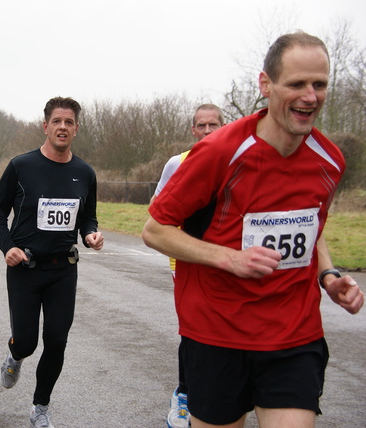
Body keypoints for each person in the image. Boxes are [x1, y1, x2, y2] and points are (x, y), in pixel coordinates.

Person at [142, 32, 364, 428]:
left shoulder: (330, 161)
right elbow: (156, 229)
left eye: (319, 84)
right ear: (266, 85)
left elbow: (312, 226)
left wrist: (327, 273)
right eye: (296, 84)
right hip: (216, 333)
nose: (310, 96)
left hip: (294, 334)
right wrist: (228, 257)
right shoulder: (220, 151)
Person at [0, 97, 104, 428]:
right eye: (57, 121)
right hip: (24, 267)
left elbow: (88, 217)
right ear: (45, 126)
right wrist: (7, 247)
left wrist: (91, 234)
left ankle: (40, 406)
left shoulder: (84, 173)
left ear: (76, 128)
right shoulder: (21, 166)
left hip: (63, 269)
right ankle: (14, 356)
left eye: (69, 122)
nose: (62, 127)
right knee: (27, 341)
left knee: (56, 339)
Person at [152, 103, 225, 428]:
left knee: (224, 324)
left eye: (214, 125)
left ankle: (225, 392)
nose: (208, 131)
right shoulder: (177, 163)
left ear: (224, 127)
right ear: (193, 130)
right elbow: (158, 209)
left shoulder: (238, 159)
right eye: (202, 126)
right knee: (194, 325)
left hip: (226, 258)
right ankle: (184, 396)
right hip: (184, 257)